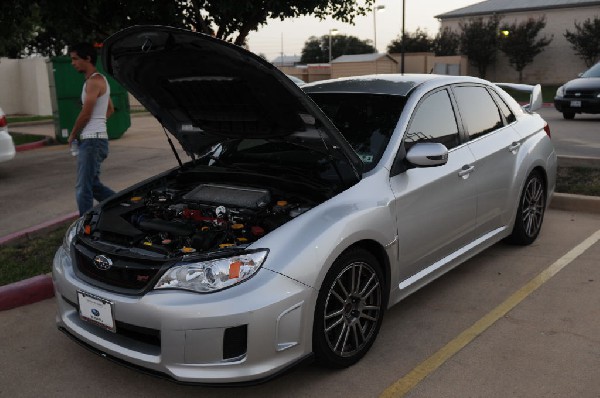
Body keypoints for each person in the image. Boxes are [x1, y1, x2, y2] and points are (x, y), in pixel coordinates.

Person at [68, 42, 116, 216]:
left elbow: (86, 113)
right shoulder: (100, 80)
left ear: (87, 58)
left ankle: (84, 226)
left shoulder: (93, 82)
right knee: (93, 186)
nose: (73, 63)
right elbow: (109, 109)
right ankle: (122, 206)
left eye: (75, 59)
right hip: (97, 138)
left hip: (92, 141)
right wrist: (98, 125)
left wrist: (73, 134)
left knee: (83, 188)